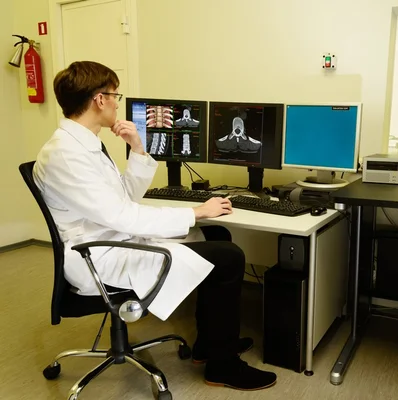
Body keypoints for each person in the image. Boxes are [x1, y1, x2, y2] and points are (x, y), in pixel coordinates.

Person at [32, 61, 277, 391]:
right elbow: (122, 216)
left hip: (112, 236)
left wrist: (137, 149)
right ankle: (223, 366)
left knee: (218, 235)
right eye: (115, 95)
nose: (118, 103)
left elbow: (125, 198)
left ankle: (210, 345)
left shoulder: (85, 144)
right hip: (98, 256)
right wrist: (195, 212)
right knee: (228, 256)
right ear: (99, 99)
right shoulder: (66, 154)